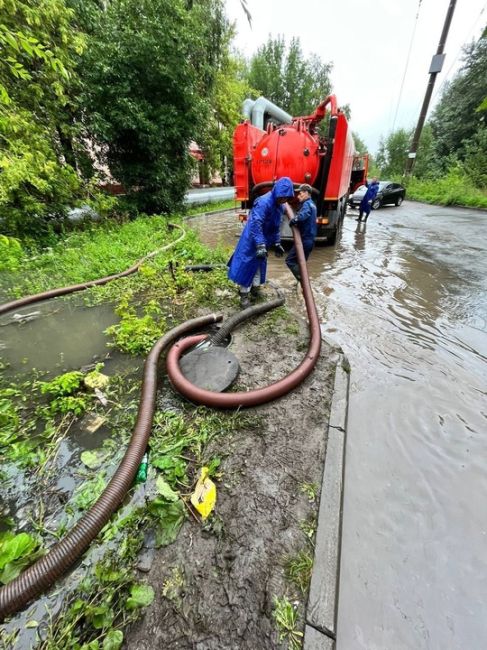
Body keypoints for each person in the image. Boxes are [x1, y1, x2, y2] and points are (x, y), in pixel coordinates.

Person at [228, 176, 295, 308]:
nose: (283, 199)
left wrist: (276, 243)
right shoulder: (263, 202)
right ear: (277, 192)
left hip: (263, 241)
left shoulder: (280, 207)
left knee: (259, 265)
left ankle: (255, 289)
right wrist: (259, 244)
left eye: (286, 197)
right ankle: (243, 295)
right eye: (282, 196)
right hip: (252, 239)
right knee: (247, 265)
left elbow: (276, 226)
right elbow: (255, 223)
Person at [285, 183, 317, 282]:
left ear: (307, 193)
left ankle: (303, 281)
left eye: (301, 193)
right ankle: (303, 284)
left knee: (289, 260)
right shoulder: (312, 204)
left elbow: (303, 215)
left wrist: (294, 220)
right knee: (301, 264)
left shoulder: (307, 204)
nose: (298, 196)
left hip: (304, 240)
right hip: (310, 240)